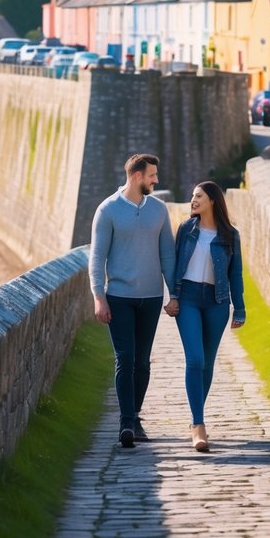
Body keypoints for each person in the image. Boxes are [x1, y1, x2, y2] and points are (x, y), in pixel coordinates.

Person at [89, 153, 176, 448]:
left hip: (151, 297)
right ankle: (127, 422)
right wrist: (99, 297)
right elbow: (97, 257)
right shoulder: (108, 210)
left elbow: (168, 254)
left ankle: (134, 416)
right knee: (125, 359)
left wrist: (172, 293)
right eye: (152, 175)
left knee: (142, 362)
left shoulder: (159, 210)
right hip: (119, 298)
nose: (156, 180)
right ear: (137, 176)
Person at [166, 181, 245, 452]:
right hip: (187, 298)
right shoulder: (186, 230)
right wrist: (173, 296)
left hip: (217, 302)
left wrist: (240, 308)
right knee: (195, 358)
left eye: (198, 196)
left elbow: (235, 274)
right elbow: (175, 264)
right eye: (191, 196)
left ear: (212, 200)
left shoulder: (230, 235)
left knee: (208, 363)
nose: (193, 200)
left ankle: (195, 417)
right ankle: (198, 425)